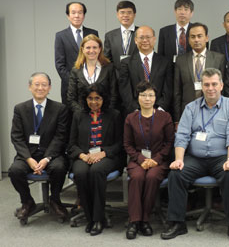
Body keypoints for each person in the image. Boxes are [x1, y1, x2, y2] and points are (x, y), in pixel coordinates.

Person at [162, 68, 229, 243]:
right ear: (202, 86)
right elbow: (182, 136)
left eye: (214, 84)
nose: (211, 88)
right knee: (176, 174)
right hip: (196, 158)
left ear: (221, 85)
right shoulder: (191, 108)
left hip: (222, 157)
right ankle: (177, 223)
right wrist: (179, 160)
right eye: (206, 84)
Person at [9, 72, 69, 221]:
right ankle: (27, 201)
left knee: (59, 167)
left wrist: (47, 158)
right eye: (36, 84)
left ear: (49, 88)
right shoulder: (20, 109)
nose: (40, 88)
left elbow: (60, 137)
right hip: (28, 155)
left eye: (44, 85)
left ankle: (55, 199)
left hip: (52, 154)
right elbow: (16, 136)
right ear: (30, 87)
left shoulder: (60, 109)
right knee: (15, 171)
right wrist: (28, 159)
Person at [67, 84, 123, 236]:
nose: (93, 102)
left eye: (97, 98)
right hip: (84, 155)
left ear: (103, 99)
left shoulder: (114, 115)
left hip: (107, 156)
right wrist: (82, 156)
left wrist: (103, 153)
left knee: (96, 171)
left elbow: (120, 143)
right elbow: (71, 144)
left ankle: (98, 219)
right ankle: (89, 216)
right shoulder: (78, 115)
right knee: (80, 173)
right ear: (85, 100)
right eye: (90, 98)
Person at [124, 81, 174, 239]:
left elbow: (169, 142)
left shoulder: (165, 117)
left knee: (152, 177)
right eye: (143, 95)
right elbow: (127, 144)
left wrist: (156, 159)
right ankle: (134, 221)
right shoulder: (131, 118)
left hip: (159, 160)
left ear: (155, 97)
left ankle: (145, 220)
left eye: (151, 95)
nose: (147, 98)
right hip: (137, 159)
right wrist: (140, 159)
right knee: (137, 177)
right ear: (137, 97)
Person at [173, 22, 225, 123]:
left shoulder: (219, 59)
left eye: (199, 36)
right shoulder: (181, 60)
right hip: (188, 110)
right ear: (188, 40)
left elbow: (223, 89)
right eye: (192, 37)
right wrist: (177, 119)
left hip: (213, 110)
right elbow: (177, 92)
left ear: (206, 38)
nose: (196, 40)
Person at [119, 26, 172, 115]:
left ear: (154, 39)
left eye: (148, 37)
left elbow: (168, 88)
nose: (145, 40)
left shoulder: (165, 62)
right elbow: (125, 90)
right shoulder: (126, 63)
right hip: (134, 113)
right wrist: (135, 110)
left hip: (159, 112)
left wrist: (160, 109)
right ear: (135, 40)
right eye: (141, 37)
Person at [55, 2, 98, 105]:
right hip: (70, 88)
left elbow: (97, 59)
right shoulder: (60, 36)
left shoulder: (93, 33)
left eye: (80, 12)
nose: (77, 15)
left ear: (84, 15)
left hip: (91, 86)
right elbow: (60, 65)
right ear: (68, 15)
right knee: (71, 118)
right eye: (73, 12)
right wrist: (75, 82)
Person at [67, 34, 117, 113]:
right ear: (82, 49)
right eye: (88, 47)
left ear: (100, 49)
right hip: (82, 118)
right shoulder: (75, 70)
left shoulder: (109, 68)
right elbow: (71, 98)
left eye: (94, 47)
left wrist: (105, 114)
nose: (91, 51)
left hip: (105, 116)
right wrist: (84, 115)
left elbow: (114, 95)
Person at [103, 0, 139, 79]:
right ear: (117, 15)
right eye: (122, 12)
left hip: (138, 77)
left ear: (134, 15)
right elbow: (107, 60)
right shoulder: (110, 36)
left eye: (129, 12)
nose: (125, 15)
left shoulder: (142, 33)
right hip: (116, 78)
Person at [158, 0, 194, 64]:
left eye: (186, 10)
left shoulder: (197, 30)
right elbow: (160, 56)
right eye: (179, 9)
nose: (182, 12)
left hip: (192, 69)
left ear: (191, 13)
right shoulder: (164, 31)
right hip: (170, 70)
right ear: (175, 12)